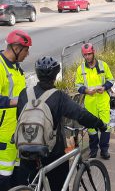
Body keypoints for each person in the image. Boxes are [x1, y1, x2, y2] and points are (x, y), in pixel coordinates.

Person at [15, 56, 107, 191]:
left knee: (31, 184)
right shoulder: (59, 96)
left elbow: (19, 117)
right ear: (55, 75)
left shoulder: (24, 93)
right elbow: (80, 114)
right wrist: (99, 124)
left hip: (26, 150)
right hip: (53, 151)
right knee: (59, 186)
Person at [0, 30, 31, 190]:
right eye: (26, 50)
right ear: (17, 48)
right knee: (3, 181)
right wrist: (15, 102)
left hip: (18, 136)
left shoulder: (17, 69)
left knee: (19, 183)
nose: (27, 54)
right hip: (3, 138)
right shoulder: (0, 66)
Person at [75, 43, 114, 160]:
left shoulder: (103, 65)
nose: (87, 57)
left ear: (93, 53)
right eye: (85, 55)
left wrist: (104, 87)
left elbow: (111, 80)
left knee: (105, 127)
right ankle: (93, 150)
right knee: (92, 128)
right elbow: (78, 85)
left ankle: (104, 150)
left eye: (89, 54)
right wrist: (86, 91)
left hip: (103, 101)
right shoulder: (80, 69)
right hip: (90, 102)